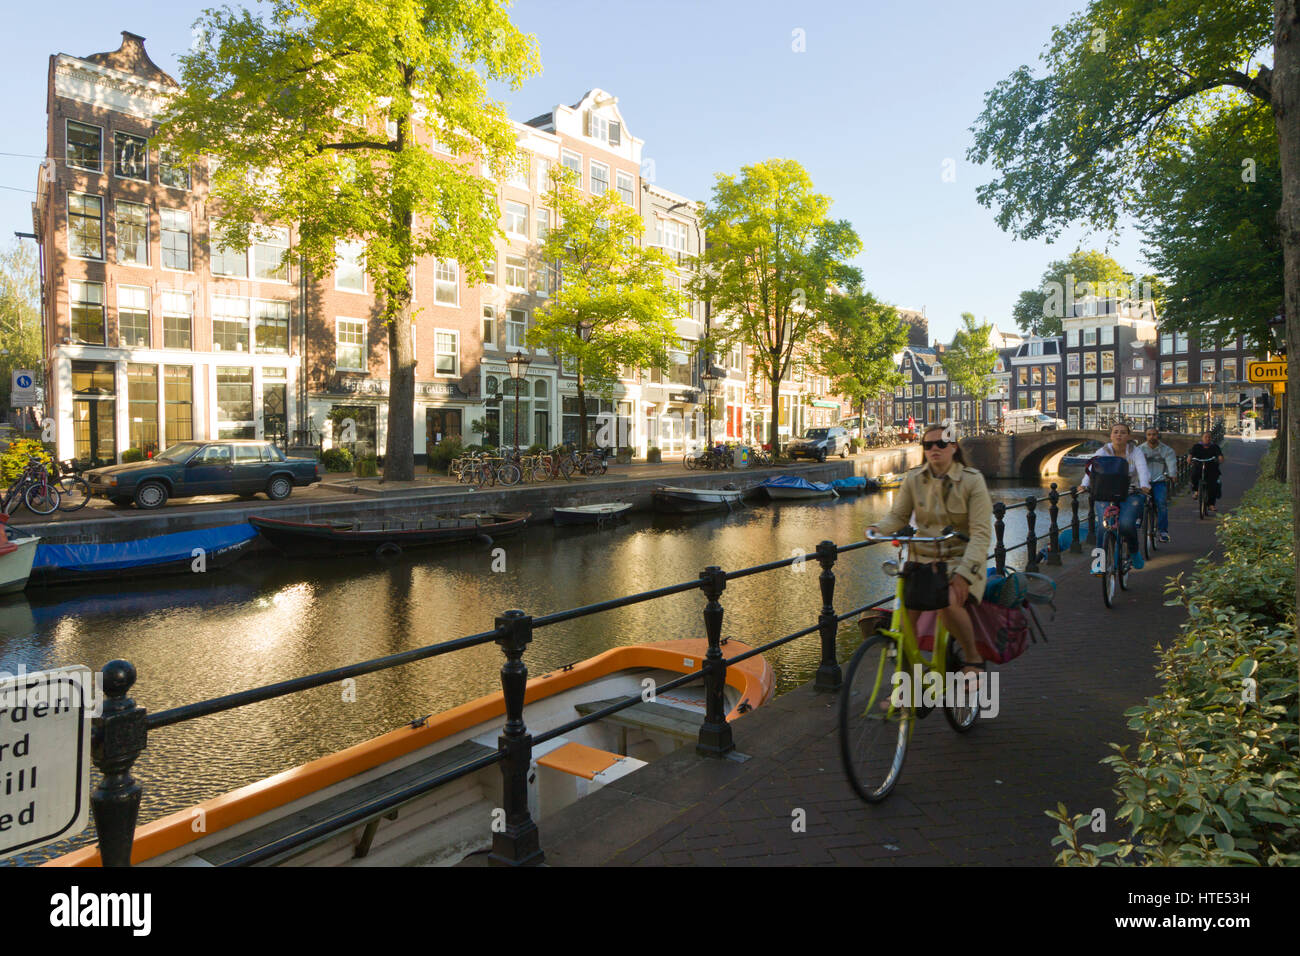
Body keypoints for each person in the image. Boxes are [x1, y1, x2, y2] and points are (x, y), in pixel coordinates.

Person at [867, 423, 994, 680]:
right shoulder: (914, 479)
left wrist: (964, 575)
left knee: (948, 601)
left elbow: (981, 534)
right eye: (928, 445)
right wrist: (877, 529)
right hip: (922, 558)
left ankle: (973, 657)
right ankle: (910, 686)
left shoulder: (972, 481)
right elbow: (898, 515)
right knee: (903, 625)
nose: (934, 448)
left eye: (941, 444)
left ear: (954, 447)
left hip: (961, 558)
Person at [1078, 422, 1151, 570]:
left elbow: (1142, 469)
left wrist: (1144, 485)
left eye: (1123, 432)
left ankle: (1134, 551)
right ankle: (1099, 563)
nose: (1119, 435)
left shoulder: (1135, 452)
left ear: (1128, 436)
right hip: (1106, 493)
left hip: (1131, 492)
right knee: (1103, 527)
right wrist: (1084, 485)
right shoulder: (1103, 451)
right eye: (1116, 432)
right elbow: (1092, 469)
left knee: (1126, 524)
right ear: (1111, 435)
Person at [1140, 426, 1177, 542]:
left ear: (1158, 436)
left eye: (1154, 434)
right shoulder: (1140, 449)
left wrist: (1172, 474)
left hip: (1159, 480)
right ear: (1146, 436)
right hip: (1144, 482)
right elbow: (1135, 463)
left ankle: (1163, 531)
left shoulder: (1166, 450)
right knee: (1138, 500)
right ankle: (1138, 519)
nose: (1152, 437)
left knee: (1161, 504)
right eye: (1149, 434)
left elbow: (1171, 462)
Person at [1187, 431, 1225, 513]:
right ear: (1202, 438)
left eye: (1209, 437)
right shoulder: (1197, 446)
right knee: (1194, 475)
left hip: (1211, 467)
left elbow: (1219, 455)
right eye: (1205, 437)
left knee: (1213, 484)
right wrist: (1190, 458)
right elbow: (1191, 454)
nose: (1207, 439)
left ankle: (1211, 504)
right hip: (1199, 465)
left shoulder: (1214, 447)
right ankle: (1196, 490)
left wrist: (1220, 458)